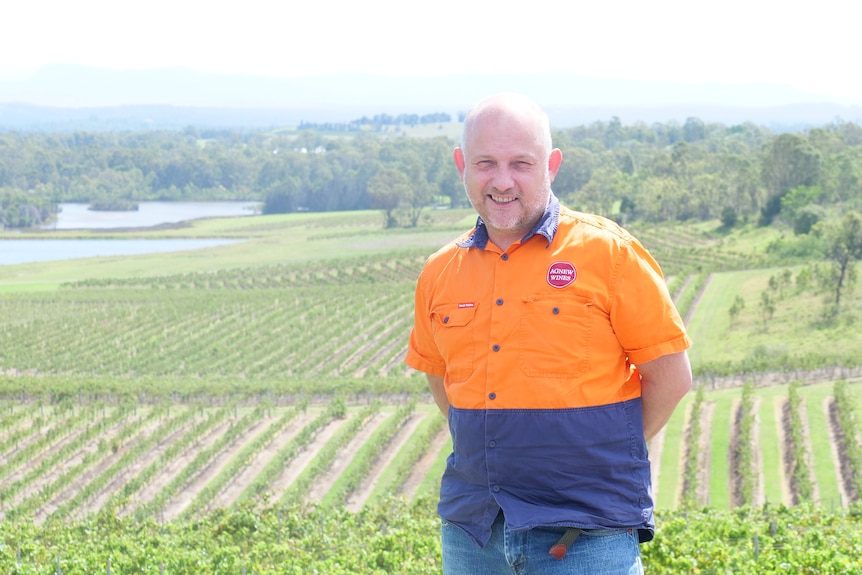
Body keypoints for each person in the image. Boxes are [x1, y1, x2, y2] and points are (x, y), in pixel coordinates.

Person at [404, 93, 693, 575]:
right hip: (474, 533)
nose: (502, 181)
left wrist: (601, 459)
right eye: (485, 163)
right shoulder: (440, 272)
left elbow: (671, 377)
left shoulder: (610, 254)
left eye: (521, 163)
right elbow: (442, 377)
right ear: (461, 166)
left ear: (551, 165)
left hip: (585, 535)